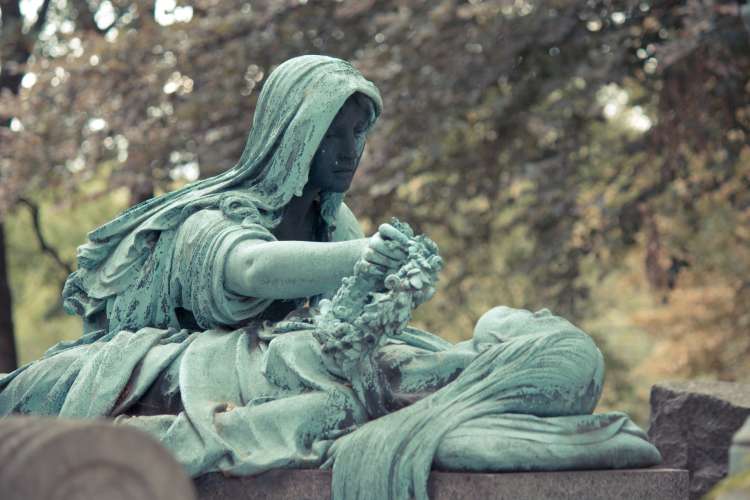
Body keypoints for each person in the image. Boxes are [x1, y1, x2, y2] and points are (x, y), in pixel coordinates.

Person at [0, 55, 661, 500]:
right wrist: (366, 259)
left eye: (359, 134)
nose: (350, 152)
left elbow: (349, 325)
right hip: (190, 371)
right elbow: (251, 267)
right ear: (292, 135)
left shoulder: (334, 223)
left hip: (303, 367)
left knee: (408, 369)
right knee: (358, 384)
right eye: (333, 134)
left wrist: (382, 292)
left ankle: (500, 381)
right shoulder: (210, 216)